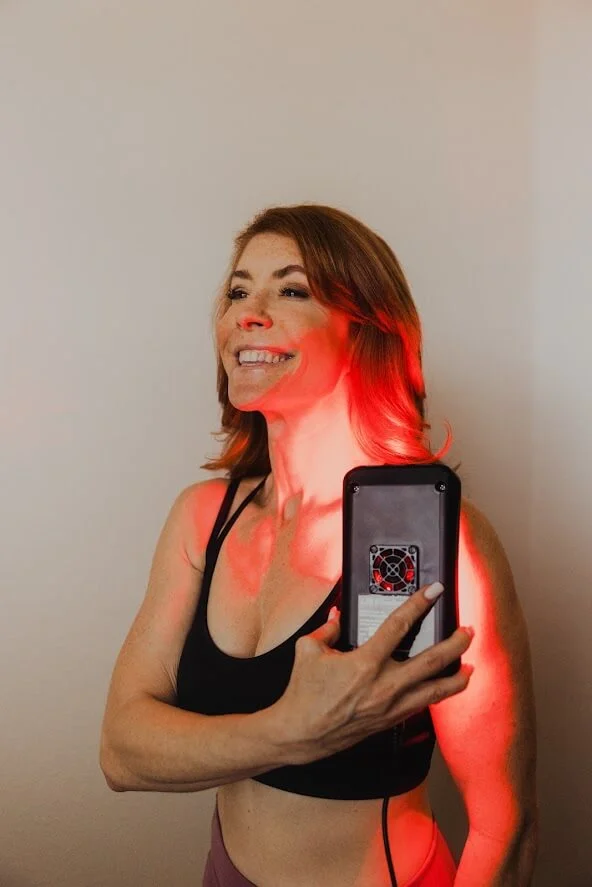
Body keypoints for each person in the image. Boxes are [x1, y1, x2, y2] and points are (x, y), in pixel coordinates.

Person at [99, 204, 538, 886]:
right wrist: (294, 729)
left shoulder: (439, 539)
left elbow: (501, 824)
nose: (248, 311)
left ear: (364, 328)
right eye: (238, 290)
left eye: (291, 288)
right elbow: (122, 751)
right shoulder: (202, 518)